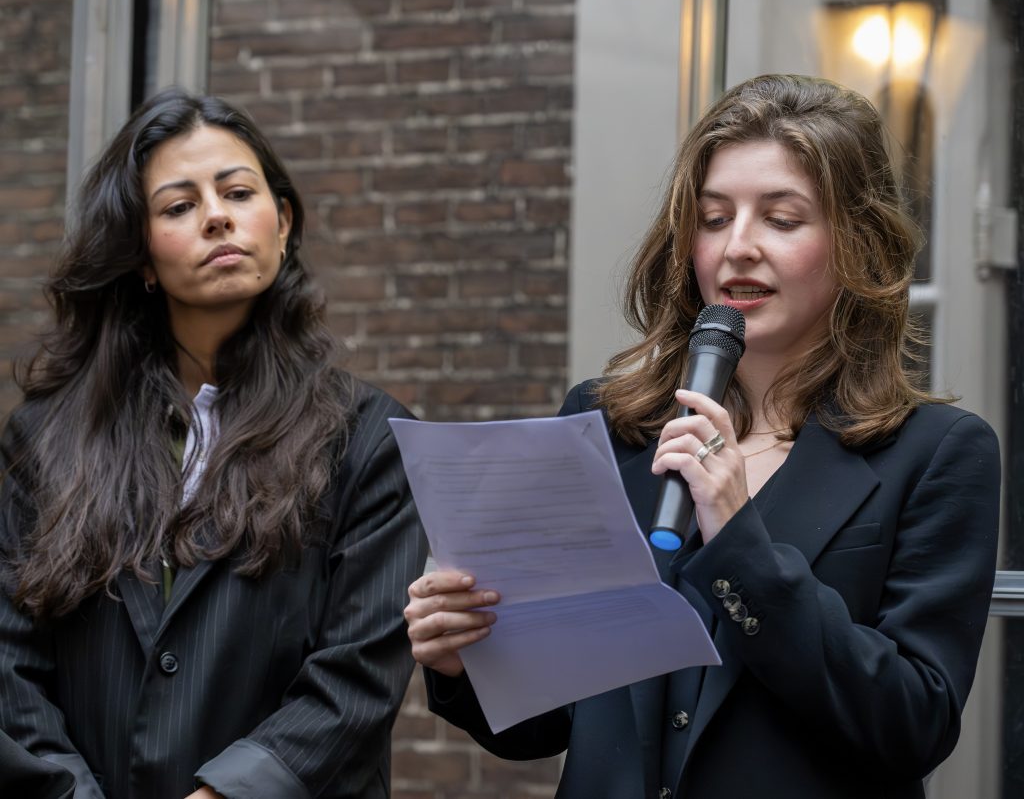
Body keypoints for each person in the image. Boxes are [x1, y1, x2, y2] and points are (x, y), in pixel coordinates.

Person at [404, 74, 1001, 798]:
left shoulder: (935, 453)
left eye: (782, 219)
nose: (737, 247)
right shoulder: (606, 426)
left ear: (859, 242)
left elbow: (914, 723)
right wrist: (462, 663)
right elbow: (552, 723)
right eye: (714, 218)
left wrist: (738, 538)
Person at [0, 88, 428, 799]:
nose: (218, 217)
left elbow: (357, 678)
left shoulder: (369, 437)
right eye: (179, 206)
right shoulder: (45, 438)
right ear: (140, 255)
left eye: (237, 192)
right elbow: (9, 663)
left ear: (283, 222)